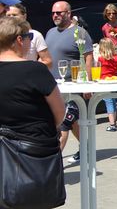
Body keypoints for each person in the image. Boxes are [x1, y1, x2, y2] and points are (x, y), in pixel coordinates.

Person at [0, 16, 66, 198]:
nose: (30, 40)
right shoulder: (35, 70)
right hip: (35, 150)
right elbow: (60, 113)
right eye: (29, 36)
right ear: (19, 40)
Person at [45, 1, 93, 162]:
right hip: (52, 87)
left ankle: (53, 161)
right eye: (53, 13)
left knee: (65, 123)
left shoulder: (80, 33)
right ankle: (86, 146)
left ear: (68, 13)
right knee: (72, 123)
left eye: (59, 12)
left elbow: (88, 59)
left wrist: (88, 85)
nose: (55, 15)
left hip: (72, 87)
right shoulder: (50, 32)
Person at [6, 3, 52, 68]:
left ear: (24, 16)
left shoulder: (36, 35)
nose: (11, 18)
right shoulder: (2, 35)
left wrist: (30, 67)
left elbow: (48, 61)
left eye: (14, 15)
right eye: (8, 15)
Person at [98, 38, 117, 131]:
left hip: (104, 82)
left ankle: (112, 124)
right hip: (114, 81)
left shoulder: (100, 59)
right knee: (112, 100)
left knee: (108, 102)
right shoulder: (115, 58)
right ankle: (114, 122)